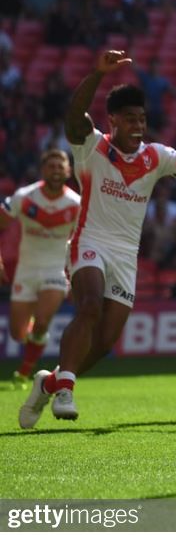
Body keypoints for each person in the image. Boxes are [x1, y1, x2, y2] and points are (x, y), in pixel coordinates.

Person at [18, 50, 176, 429]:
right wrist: (97, 74)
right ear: (112, 119)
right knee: (89, 307)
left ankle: (48, 383)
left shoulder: (156, 156)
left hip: (126, 255)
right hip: (89, 240)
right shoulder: (91, 146)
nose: (138, 125)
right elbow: (73, 116)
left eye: (142, 119)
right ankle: (66, 390)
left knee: (104, 343)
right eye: (130, 118)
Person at [0, 149, 80, 388]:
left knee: (43, 321)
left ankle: (24, 373)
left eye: (60, 167)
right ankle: (33, 332)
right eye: (51, 166)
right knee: (17, 334)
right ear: (43, 170)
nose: (55, 170)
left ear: (68, 171)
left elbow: (82, 241)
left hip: (55, 270)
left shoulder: (76, 204)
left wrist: (76, 274)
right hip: (26, 270)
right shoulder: (25, 197)